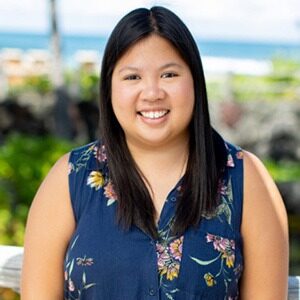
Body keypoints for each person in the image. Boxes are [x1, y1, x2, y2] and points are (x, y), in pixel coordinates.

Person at [21, 6, 289, 300]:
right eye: (132, 77)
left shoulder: (245, 179)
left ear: (195, 82)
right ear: (109, 88)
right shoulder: (69, 178)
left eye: (169, 74)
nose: (152, 92)